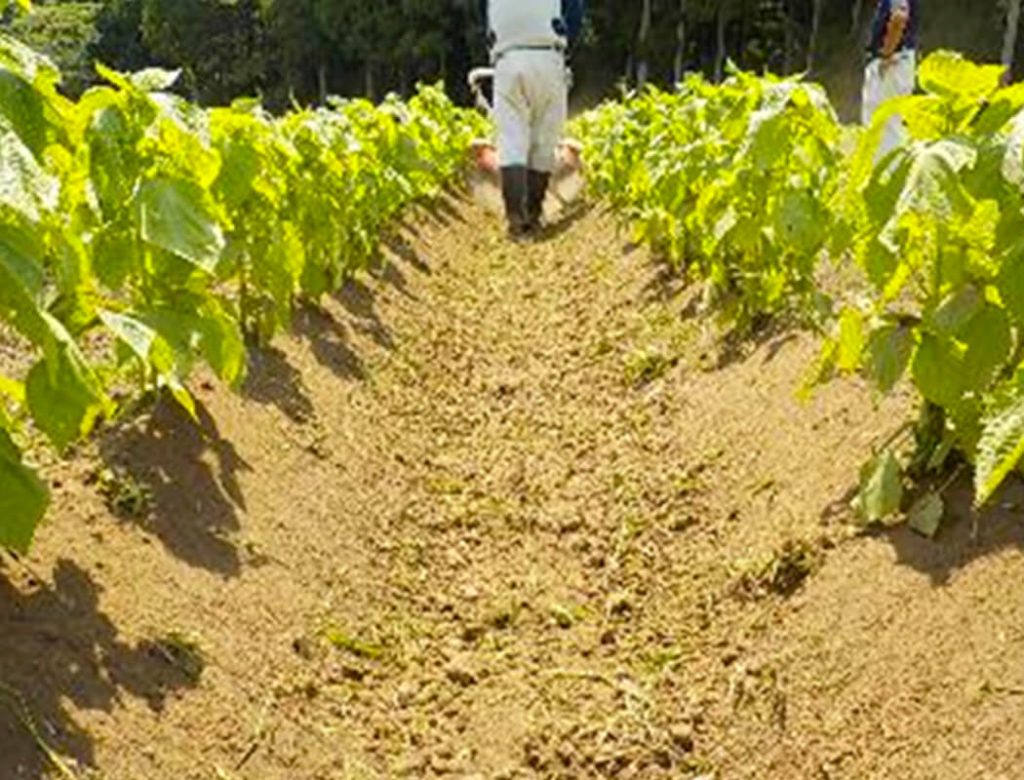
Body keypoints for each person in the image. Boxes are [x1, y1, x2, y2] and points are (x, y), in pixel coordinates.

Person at [480, 0, 585, 238]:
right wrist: (567, 44)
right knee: (544, 140)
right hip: (548, 55)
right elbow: (576, 15)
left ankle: (516, 218)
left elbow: (484, 14)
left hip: (507, 57)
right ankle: (534, 215)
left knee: (511, 139)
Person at [862, 0, 919, 157]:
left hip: (891, 61)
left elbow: (899, 17)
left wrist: (886, 54)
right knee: (889, 122)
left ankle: (888, 173)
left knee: (885, 124)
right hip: (898, 58)